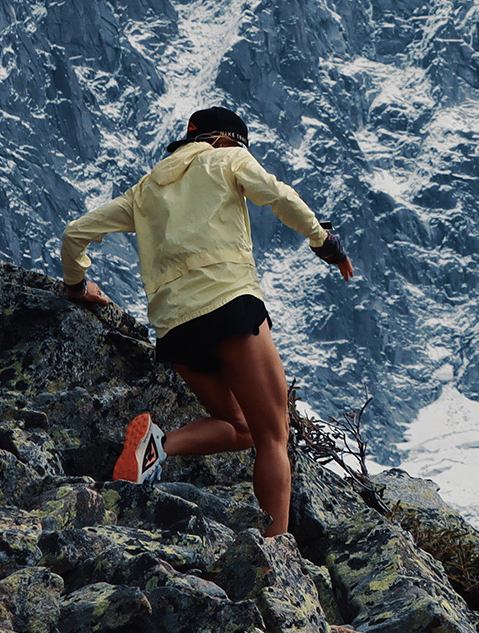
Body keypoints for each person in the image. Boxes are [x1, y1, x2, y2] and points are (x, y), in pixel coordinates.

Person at [58, 106, 351, 537]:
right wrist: (324, 241)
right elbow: (279, 196)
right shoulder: (228, 158)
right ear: (226, 138)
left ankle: (158, 445)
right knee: (275, 436)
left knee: (242, 428)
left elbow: (73, 234)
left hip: (176, 331)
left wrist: (77, 286)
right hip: (230, 306)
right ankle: (277, 553)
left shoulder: (143, 192)